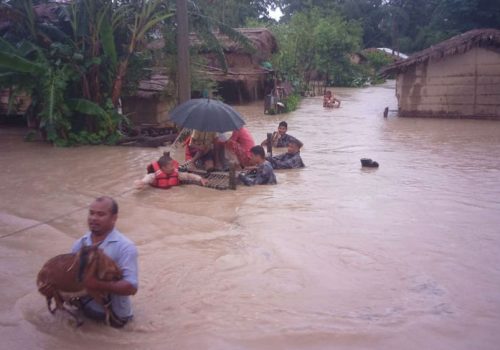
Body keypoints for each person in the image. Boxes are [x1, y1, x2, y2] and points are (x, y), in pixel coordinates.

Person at [71, 196, 138, 328]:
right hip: (84, 310)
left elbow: (131, 287)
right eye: (91, 213)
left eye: (100, 214)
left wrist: (96, 284)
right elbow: (72, 276)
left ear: (114, 218)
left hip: (115, 319)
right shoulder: (80, 244)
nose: (94, 218)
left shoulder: (125, 247)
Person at [134, 152, 207, 189]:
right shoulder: (153, 175)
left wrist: (200, 179)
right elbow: (146, 179)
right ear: (163, 168)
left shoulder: (176, 173)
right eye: (171, 166)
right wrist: (141, 183)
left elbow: (189, 176)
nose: (173, 167)